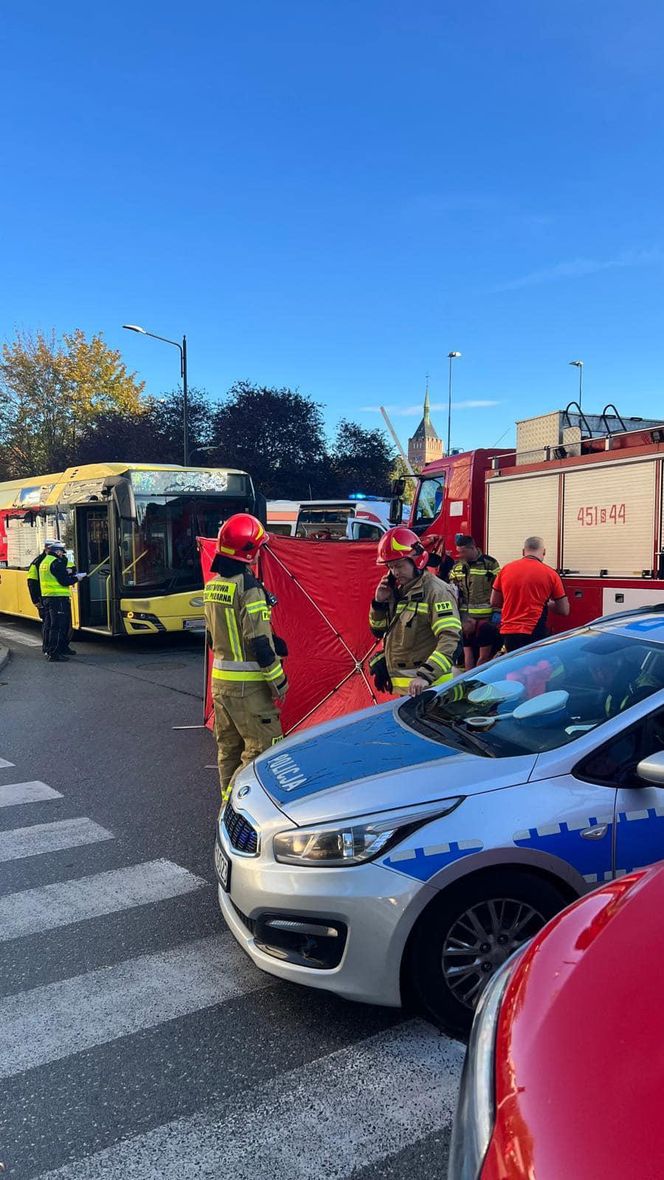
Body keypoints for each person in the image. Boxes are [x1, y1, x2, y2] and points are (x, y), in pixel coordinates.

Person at [204, 513, 288, 805]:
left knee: (228, 748)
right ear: (250, 551)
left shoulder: (214, 584)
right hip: (249, 688)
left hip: (221, 683)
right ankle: (241, 808)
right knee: (264, 748)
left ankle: (227, 804)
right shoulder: (250, 589)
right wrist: (279, 681)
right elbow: (259, 644)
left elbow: (216, 638)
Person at [369, 526, 462, 697]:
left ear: (416, 560)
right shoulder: (397, 591)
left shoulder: (437, 592)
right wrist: (379, 603)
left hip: (432, 689)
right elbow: (378, 630)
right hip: (406, 691)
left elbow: (450, 638)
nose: (395, 572)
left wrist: (426, 675)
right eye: (390, 567)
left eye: (399, 565)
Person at [490, 535, 570, 652]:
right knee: (533, 667)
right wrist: (545, 603)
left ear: (523, 551)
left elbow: (494, 601)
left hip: (509, 631)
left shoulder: (506, 570)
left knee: (514, 666)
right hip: (535, 630)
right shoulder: (550, 574)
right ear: (544, 552)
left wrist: (514, 602)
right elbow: (564, 610)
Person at [450, 535, 500, 670]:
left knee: (484, 655)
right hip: (465, 620)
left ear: (473, 548)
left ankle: (479, 680)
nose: (460, 554)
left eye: (463, 551)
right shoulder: (458, 567)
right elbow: (452, 591)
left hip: (485, 619)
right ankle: (469, 681)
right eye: (458, 551)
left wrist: (497, 612)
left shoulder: (490, 564)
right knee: (467, 654)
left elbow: (499, 589)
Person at [38, 540, 86, 662]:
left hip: (48, 597)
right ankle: (55, 653)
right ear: (57, 551)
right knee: (58, 625)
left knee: (50, 625)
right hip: (58, 598)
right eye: (61, 552)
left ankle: (50, 649)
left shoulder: (45, 561)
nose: (62, 554)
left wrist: (67, 572)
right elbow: (64, 581)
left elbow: (56, 575)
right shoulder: (56, 562)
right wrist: (77, 578)